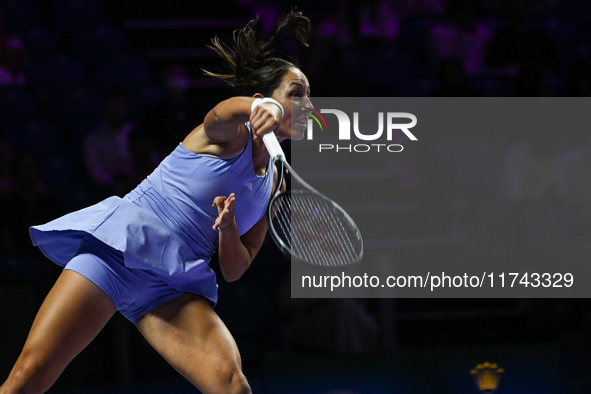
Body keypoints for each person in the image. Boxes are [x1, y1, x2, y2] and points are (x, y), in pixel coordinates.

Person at [0, 10, 312, 394]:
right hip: (118, 252)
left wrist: (228, 230)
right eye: (295, 94)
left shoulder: (274, 183)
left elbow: (236, 268)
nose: (307, 105)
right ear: (264, 99)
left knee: (233, 387)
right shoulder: (227, 134)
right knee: (28, 377)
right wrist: (257, 108)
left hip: (173, 285)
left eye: (309, 97)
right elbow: (222, 111)